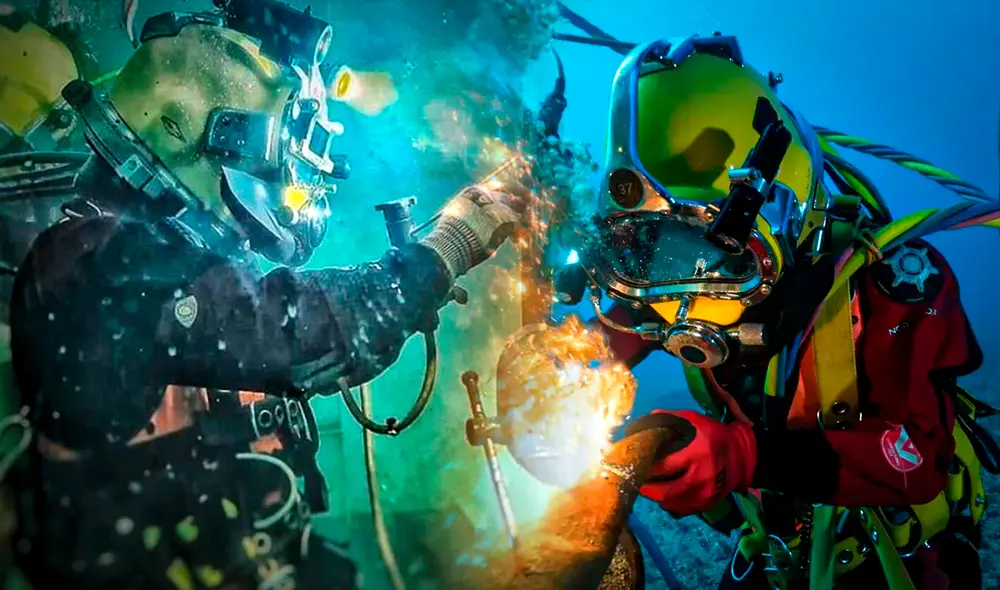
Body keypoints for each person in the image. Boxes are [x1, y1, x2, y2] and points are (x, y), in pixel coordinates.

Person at [6, 2, 527, 589]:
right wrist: (445, 250)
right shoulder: (88, 261)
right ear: (197, 135)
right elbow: (291, 327)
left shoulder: (177, 259)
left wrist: (409, 285)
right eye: (275, 165)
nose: (285, 192)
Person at [561, 34, 996, 589]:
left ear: (779, 209)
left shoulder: (896, 283)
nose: (674, 298)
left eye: (704, 251)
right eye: (648, 251)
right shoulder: (663, 282)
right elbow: (606, 338)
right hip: (774, 544)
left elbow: (917, 458)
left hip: (896, 549)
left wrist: (745, 456)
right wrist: (557, 364)